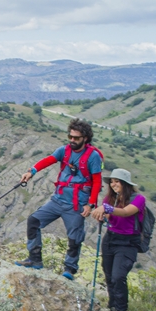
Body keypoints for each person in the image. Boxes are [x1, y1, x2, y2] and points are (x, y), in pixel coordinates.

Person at [16, 119, 102, 279]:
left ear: (85, 138)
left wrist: (91, 204)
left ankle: (69, 269)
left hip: (76, 204)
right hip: (58, 200)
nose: (72, 140)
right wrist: (31, 171)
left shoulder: (93, 157)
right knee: (33, 221)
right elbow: (49, 160)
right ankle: (34, 259)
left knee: (75, 238)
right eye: (70, 136)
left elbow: (97, 181)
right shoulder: (65, 150)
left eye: (76, 138)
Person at [91, 168, 145, 311]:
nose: (113, 184)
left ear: (125, 183)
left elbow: (126, 212)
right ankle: (113, 308)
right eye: (112, 182)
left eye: (117, 181)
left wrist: (106, 209)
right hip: (111, 239)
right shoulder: (110, 199)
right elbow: (111, 216)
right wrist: (102, 216)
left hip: (128, 242)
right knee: (109, 275)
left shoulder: (138, 199)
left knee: (118, 276)